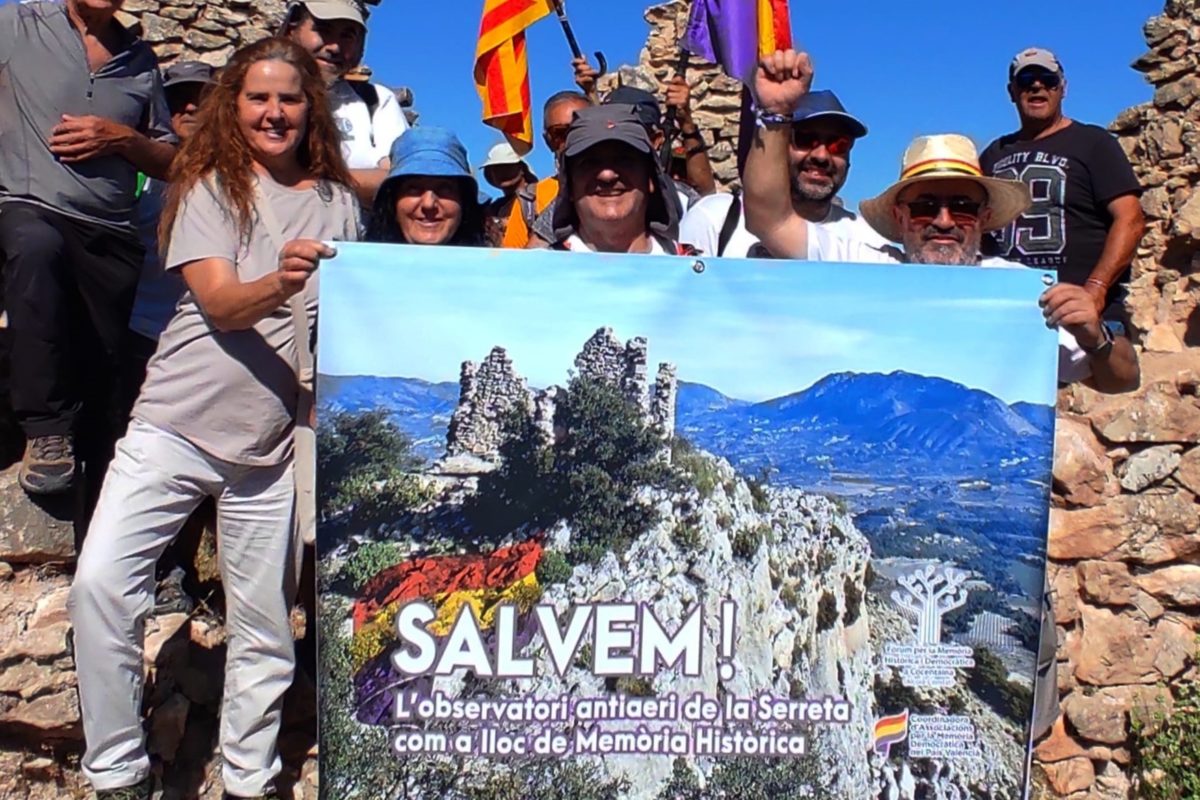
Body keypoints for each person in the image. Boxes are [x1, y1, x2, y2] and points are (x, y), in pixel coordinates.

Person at [68, 38, 359, 800]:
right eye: (258, 97)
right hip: (176, 424)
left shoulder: (338, 204)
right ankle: (117, 770)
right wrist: (284, 281)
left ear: (310, 109)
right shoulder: (209, 186)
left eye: (289, 98)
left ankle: (248, 778)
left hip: (271, 448)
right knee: (100, 584)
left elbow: (352, 320)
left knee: (264, 629)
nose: (274, 112)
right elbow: (226, 304)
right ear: (235, 106)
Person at [744, 50, 1140, 395]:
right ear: (899, 217)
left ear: (985, 218)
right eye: (924, 206)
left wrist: (1097, 336)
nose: (944, 220)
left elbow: (1121, 380)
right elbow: (769, 217)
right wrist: (776, 115)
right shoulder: (864, 266)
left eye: (963, 205)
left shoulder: (1016, 292)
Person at [0, 0, 177, 496]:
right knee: (36, 247)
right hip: (28, 202)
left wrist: (121, 138)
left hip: (109, 230)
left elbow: (169, 160)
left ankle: (100, 538)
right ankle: (45, 430)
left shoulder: (140, 60)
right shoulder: (18, 24)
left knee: (105, 377)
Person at [120, 59, 217, 617]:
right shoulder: (135, 172)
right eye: (177, 97)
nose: (187, 109)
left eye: (201, 99)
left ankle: (177, 572)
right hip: (136, 331)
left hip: (200, 344)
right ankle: (132, 577)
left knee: (194, 472)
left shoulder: (237, 181)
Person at [981, 48, 1145, 316]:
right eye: (1026, 79)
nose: (1037, 85)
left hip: (1083, 310)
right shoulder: (993, 154)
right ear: (1011, 91)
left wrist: (1096, 290)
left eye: (1048, 78)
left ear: (1062, 88)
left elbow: (1130, 219)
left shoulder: (1094, 143)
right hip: (1012, 310)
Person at [679, 89, 883, 258]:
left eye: (838, 144)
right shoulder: (715, 218)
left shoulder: (868, 241)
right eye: (805, 138)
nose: (821, 155)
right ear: (778, 146)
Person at [283, 0, 409, 205]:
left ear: (362, 46)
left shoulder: (376, 102)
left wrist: (300, 182)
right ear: (291, 30)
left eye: (348, 36)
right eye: (323, 30)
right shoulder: (259, 96)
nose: (334, 47)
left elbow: (398, 180)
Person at [543, 104, 690, 255]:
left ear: (651, 178)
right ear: (569, 185)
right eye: (589, 163)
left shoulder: (695, 270)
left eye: (624, 160)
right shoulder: (540, 274)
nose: (607, 175)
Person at [368, 127, 488, 246]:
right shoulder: (360, 264)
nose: (428, 204)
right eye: (413, 189)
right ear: (393, 204)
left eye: (445, 189)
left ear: (464, 203)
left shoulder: (495, 263)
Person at [502, 90, 591, 249]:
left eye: (581, 130)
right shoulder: (530, 200)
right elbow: (512, 267)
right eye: (561, 133)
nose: (573, 140)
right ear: (548, 140)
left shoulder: (624, 189)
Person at [478, 142, 538, 247]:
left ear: (522, 169)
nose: (499, 172)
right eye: (494, 169)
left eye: (506, 166)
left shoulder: (538, 196)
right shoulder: (494, 208)